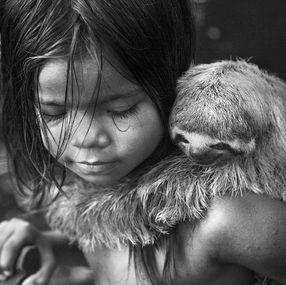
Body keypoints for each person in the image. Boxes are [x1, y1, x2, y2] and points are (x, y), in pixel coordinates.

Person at [0, 1, 286, 285]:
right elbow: (121, 248)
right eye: (54, 113)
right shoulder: (93, 198)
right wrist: (52, 245)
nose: (85, 139)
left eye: (122, 109)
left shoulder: (228, 219)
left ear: (173, 81)